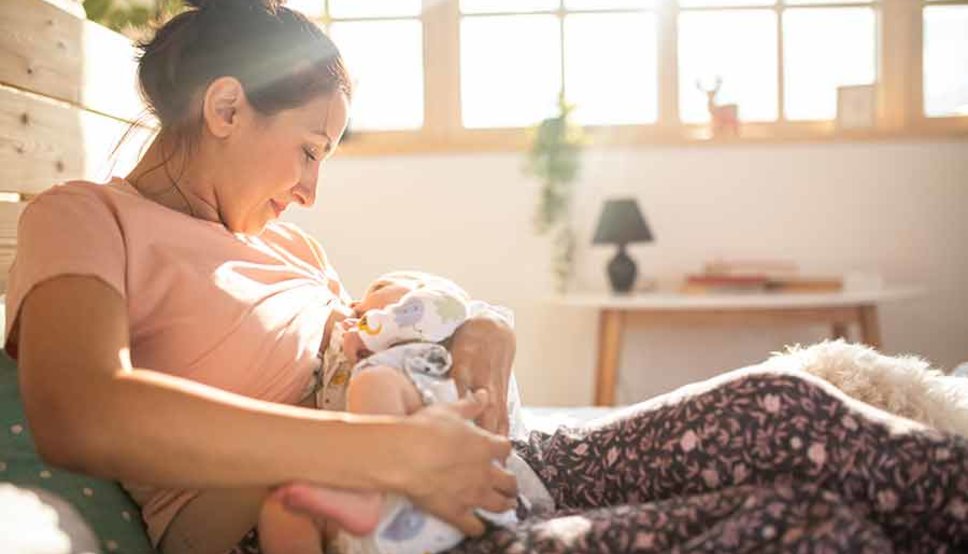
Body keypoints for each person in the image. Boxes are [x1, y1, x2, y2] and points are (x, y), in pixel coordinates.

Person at [7, 0, 968, 552]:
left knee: (780, 407)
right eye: (307, 150)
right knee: (796, 529)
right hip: (347, 529)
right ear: (224, 108)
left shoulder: (287, 247)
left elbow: (377, 345)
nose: (310, 192)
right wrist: (378, 456)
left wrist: (476, 322)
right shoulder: (82, 219)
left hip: (460, 464)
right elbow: (81, 412)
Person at [259, 271, 547, 554]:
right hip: (390, 526)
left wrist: (369, 330)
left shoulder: (444, 325)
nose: (356, 309)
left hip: (458, 486)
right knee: (282, 509)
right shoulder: (346, 367)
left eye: (376, 293)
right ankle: (365, 495)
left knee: (374, 383)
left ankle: (367, 493)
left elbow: (438, 308)